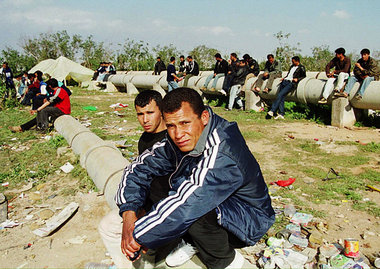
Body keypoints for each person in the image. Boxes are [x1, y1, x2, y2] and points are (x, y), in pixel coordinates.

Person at [116, 87, 275, 269]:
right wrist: (129, 213)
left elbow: (189, 202)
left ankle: (225, 261)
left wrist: (137, 235)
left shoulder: (223, 151)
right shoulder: (177, 139)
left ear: (204, 117)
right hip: (214, 203)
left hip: (247, 219)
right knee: (161, 184)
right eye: (171, 126)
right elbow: (137, 168)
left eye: (185, 123)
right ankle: (190, 241)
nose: (178, 134)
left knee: (193, 205)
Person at [98, 90, 173, 269]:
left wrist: (146, 212)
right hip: (145, 203)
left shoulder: (173, 138)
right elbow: (142, 178)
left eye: (150, 113)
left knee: (141, 240)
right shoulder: (145, 140)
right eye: (140, 114)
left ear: (161, 111)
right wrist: (136, 209)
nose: (145, 119)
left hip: (167, 206)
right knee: (107, 227)